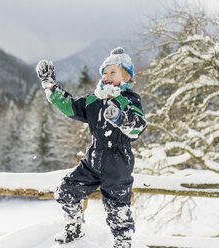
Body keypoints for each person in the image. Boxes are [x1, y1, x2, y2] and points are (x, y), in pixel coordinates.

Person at [36, 47, 147, 248]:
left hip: (118, 163)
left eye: (113, 72)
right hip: (94, 160)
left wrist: (121, 118)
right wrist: (50, 86)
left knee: (117, 210)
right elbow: (69, 105)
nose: (106, 76)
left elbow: (138, 127)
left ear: (127, 77)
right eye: (104, 72)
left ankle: (122, 243)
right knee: (65, 191)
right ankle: (74, 227)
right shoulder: (94, 100)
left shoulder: (129, 100)